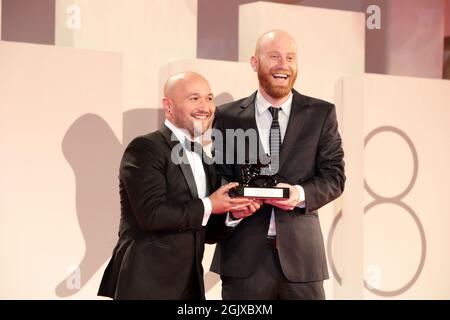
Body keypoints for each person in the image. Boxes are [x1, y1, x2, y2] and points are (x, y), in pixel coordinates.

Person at [98, 71, 259, 300]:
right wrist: (210, 204)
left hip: (189, 286)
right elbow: (151, 215)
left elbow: (206, 231)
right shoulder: (145, 148)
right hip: (145, 285)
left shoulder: (204, 157)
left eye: (209, 98)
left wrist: (233, 215)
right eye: (194, 98)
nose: (205, 106)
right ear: (168, 106)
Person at [209, 30, 345, 300]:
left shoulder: (321, 113)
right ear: (255, 62)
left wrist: (298, 195)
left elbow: (334, 177)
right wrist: (235, 208)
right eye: (274, 56)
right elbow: (219, 177)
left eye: (290, 58)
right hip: (242, 262)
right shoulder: (227, 116)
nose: (283, 65)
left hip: (302, 263)